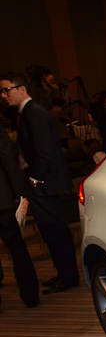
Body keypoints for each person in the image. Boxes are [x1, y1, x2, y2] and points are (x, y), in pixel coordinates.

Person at [0, 73, 79, 294]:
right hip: (43, 184)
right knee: (52, 233)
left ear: (22, 89)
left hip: (45, 184)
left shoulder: (34, 113)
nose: (4, 95)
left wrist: (34, 181)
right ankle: (63, 275)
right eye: (1, 92)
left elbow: (45, 153)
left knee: (56, 233)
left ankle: (68, 277)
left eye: (6, 90)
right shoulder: (27, 113)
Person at [0, 119, 40, 308]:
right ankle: (30, 296)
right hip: (3, 199)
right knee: (17, 249)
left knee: (18, 249)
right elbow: (8, 159)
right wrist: (19, 193)